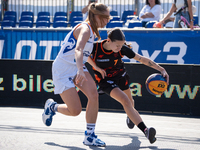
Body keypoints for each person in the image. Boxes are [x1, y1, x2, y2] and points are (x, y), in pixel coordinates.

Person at [42, 3, 111, 147]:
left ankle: (90, 136)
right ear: (97, 17)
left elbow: (84, 54)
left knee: (94, 95)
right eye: (106, 17)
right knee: (75, 111)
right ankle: (52, 107)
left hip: (76, 66)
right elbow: (78, 49)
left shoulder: (92, 30)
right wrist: (80, 68)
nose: (108, 20)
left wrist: (95, 67)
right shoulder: (85, 29)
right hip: (63, 69)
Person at [87, 28, 169, 144]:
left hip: (121, 76)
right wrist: (95, 66)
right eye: (117, 46)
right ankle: (146, 130)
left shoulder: (122, 50)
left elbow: (141, 59)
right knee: (125, 101)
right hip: (105, 80)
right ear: (108, 40)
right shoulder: (95, 48)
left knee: (130, 102)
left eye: (121, 46)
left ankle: (131, 116)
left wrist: (161, 69)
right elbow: (81, 54)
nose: (119, 48)